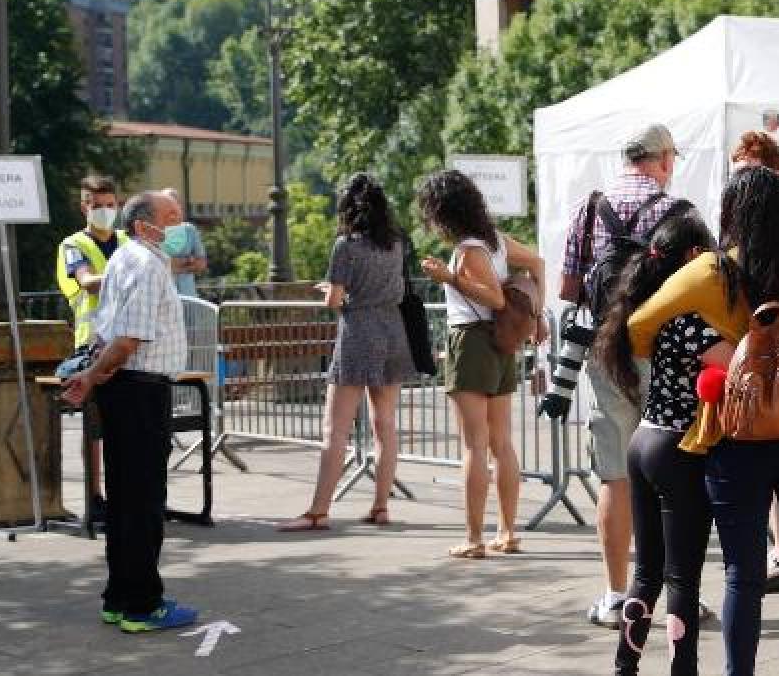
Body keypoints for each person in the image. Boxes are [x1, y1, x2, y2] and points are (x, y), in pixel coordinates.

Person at [628, 166, 779, 676]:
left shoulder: (711, 273)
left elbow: (639, 327)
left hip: (736, 435)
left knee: (741, 574)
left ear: (730, 215)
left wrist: (706, 346)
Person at [559, 122, 710, 627]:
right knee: (673, 475)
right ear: (664, 158)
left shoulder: (589, 208)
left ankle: (615, 594)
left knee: (614, 475)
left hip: (606, 353)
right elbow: (705, 283)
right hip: (668, 353)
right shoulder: (681, 213)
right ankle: (678, 598)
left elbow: (568, 287)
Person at [61, 191, 199, 633]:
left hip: (127, 389)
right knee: (142, 503)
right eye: (172, 217)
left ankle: (119, 597)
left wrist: (94, 376)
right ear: (145, 226)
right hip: (140, 390)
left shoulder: (122, 258)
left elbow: (110, 331)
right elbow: (127, 341)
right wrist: (96, 375)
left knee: (124, 500)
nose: (181, 224)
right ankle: (142, 604)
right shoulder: (145, 263)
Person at [590, 214, 720, 675]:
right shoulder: (689, 321)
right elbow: (738, 364)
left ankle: (626, 665)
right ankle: (683, 669)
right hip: (679, 451)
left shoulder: (647, 315)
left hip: (644, 442)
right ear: (691, 259)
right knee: (682, 577)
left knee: (646, 574)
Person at [417, 170, 546, 559]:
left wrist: (449, 276)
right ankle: (507, 532)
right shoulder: (496, 242)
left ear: (444, 213)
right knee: (501, 443)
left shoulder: (470, 250)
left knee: (474, 445)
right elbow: (538, 263)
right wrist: (537, 315)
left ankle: (474, 539)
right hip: (501, 343)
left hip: (472, 340)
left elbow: (494, 298)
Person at [277, 174, 416, 532]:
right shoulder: (395, 243)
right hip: (393, 332)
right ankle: (381, 506)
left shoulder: (346, 245)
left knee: (335, 429)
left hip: (359, 335)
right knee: (385, 425)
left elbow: (334, 300)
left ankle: (318, 511)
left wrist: (332, 291)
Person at [731, 129, 779, 593]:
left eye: (754, 171)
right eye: (740, 171)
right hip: (740, 367)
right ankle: (762, 555)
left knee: (775, 468)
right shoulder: (727, 243)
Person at [55, 174, 129, 520]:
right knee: (95, 429)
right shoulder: (73, 245)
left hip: (131, 342)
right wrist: (133, 274)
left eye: (110, 206)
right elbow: (87, 283)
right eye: (97, 206)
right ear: (84, 206)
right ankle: (94, 497)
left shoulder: (129, 240)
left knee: (129, 425)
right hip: (92, 347)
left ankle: (129, 496)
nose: (104, 211)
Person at [159, 188, 207, 297]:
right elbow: (156, 263)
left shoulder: (190, 230)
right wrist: (188, 260)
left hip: (188, 295)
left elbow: (201, 263)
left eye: (175, 203)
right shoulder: (153, 230)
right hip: (163, 295)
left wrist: (177, 266)